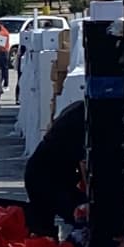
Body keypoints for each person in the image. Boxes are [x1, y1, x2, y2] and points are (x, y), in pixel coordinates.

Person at [22, 99, 85, 237]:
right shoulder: (82, 119)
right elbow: (83, 164)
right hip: (47, 180)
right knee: (81, 213)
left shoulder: (78, 109)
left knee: (44, 227)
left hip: (40, 174)